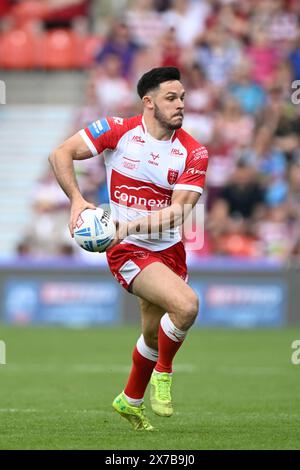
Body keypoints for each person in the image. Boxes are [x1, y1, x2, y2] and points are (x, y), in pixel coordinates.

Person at [49, 67, 209, 431]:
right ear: (149, 103)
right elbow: (61, 153)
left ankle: (130, 400)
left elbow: (178, 213)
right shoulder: (117, 131)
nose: (180, 104)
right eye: (172, 98)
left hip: (168, 249)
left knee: (154, 336)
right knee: (186, 306)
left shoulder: (193, 152)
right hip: (128, 251)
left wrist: (125, 226)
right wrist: (76, 201)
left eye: (183, 97)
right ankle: (164, 376)